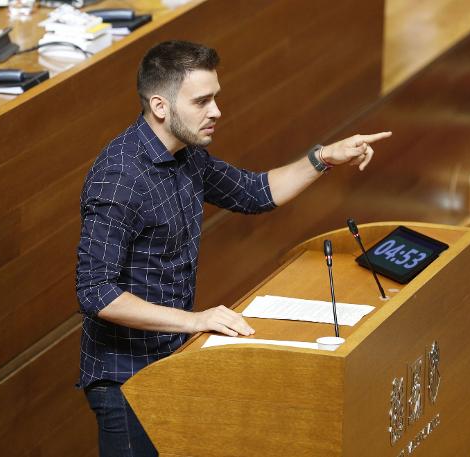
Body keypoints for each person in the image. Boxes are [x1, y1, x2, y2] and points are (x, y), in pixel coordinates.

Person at [76, 40, 391, 457]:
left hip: (172, 361)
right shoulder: (118, 180)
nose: (217, 111)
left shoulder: (187, 157)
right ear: (160, 106)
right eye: (202, 101)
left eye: (216, 98)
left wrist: (325, 157)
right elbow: (96, 292)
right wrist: (195, 320)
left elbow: (254, 192)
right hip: (125, 380)